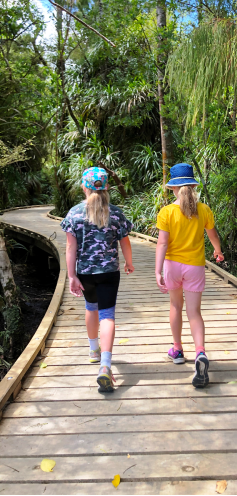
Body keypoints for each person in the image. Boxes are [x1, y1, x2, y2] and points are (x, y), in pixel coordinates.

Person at [61, 167, 134, 393]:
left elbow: (70, 247)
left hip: (85, 272)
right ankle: (105, 365)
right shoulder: (116, 213)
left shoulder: (74, 214)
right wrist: (129, 262)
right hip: (109, 272)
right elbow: (125, 242)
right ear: (107, 187)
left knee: (90, 307)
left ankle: (94, 350)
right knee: (107, 315)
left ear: (84, 186)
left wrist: (71, 275)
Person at [155, 163, 224, 388]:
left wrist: (157, 270)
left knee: (176, 306)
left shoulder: (166, 212)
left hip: (173, 266)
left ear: (174, 189)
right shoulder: (203, 209)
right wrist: (218, 251)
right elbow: (212, 235)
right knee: (194, 312)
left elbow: (162, 243)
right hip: (195, 267)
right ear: (193, 186)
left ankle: (177, 350)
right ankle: (200, 352)